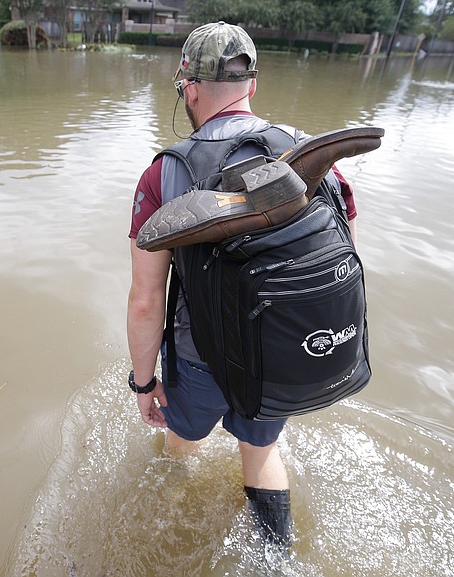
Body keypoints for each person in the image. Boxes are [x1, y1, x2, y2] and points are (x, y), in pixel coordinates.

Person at [126, 21, 359, 551]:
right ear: (252, 85)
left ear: (188, 88)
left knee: (180, 449)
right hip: (282, 353)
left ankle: (168, 547)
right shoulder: (314, 156)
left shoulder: (162, 175)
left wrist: (145, 385)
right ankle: (276, 559)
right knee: (261, 454)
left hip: (200, 359)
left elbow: (146, 303)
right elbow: (336, 261)